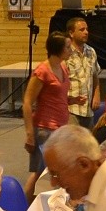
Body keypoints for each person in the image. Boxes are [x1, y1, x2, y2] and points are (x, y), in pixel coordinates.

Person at [22, 32, 71, 187]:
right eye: (68, 47)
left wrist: (73, 100)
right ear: (59, 50)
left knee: (57, 172)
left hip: (61, 128)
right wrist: (30, 134)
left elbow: (58, 97)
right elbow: (27, 102)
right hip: (44, 129)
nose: (71, 50)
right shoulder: (42, 71)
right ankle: (25, 207)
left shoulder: (63, 67)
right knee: (38, 172)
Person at [62, 18, 99, 122]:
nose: (86, 32)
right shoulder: (66, 53)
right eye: (82, 30)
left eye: (87, 29)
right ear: (71, 33)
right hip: (71, 110)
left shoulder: (91, 51)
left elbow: (95, 75)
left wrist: (96, 95)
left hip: (88, 110)